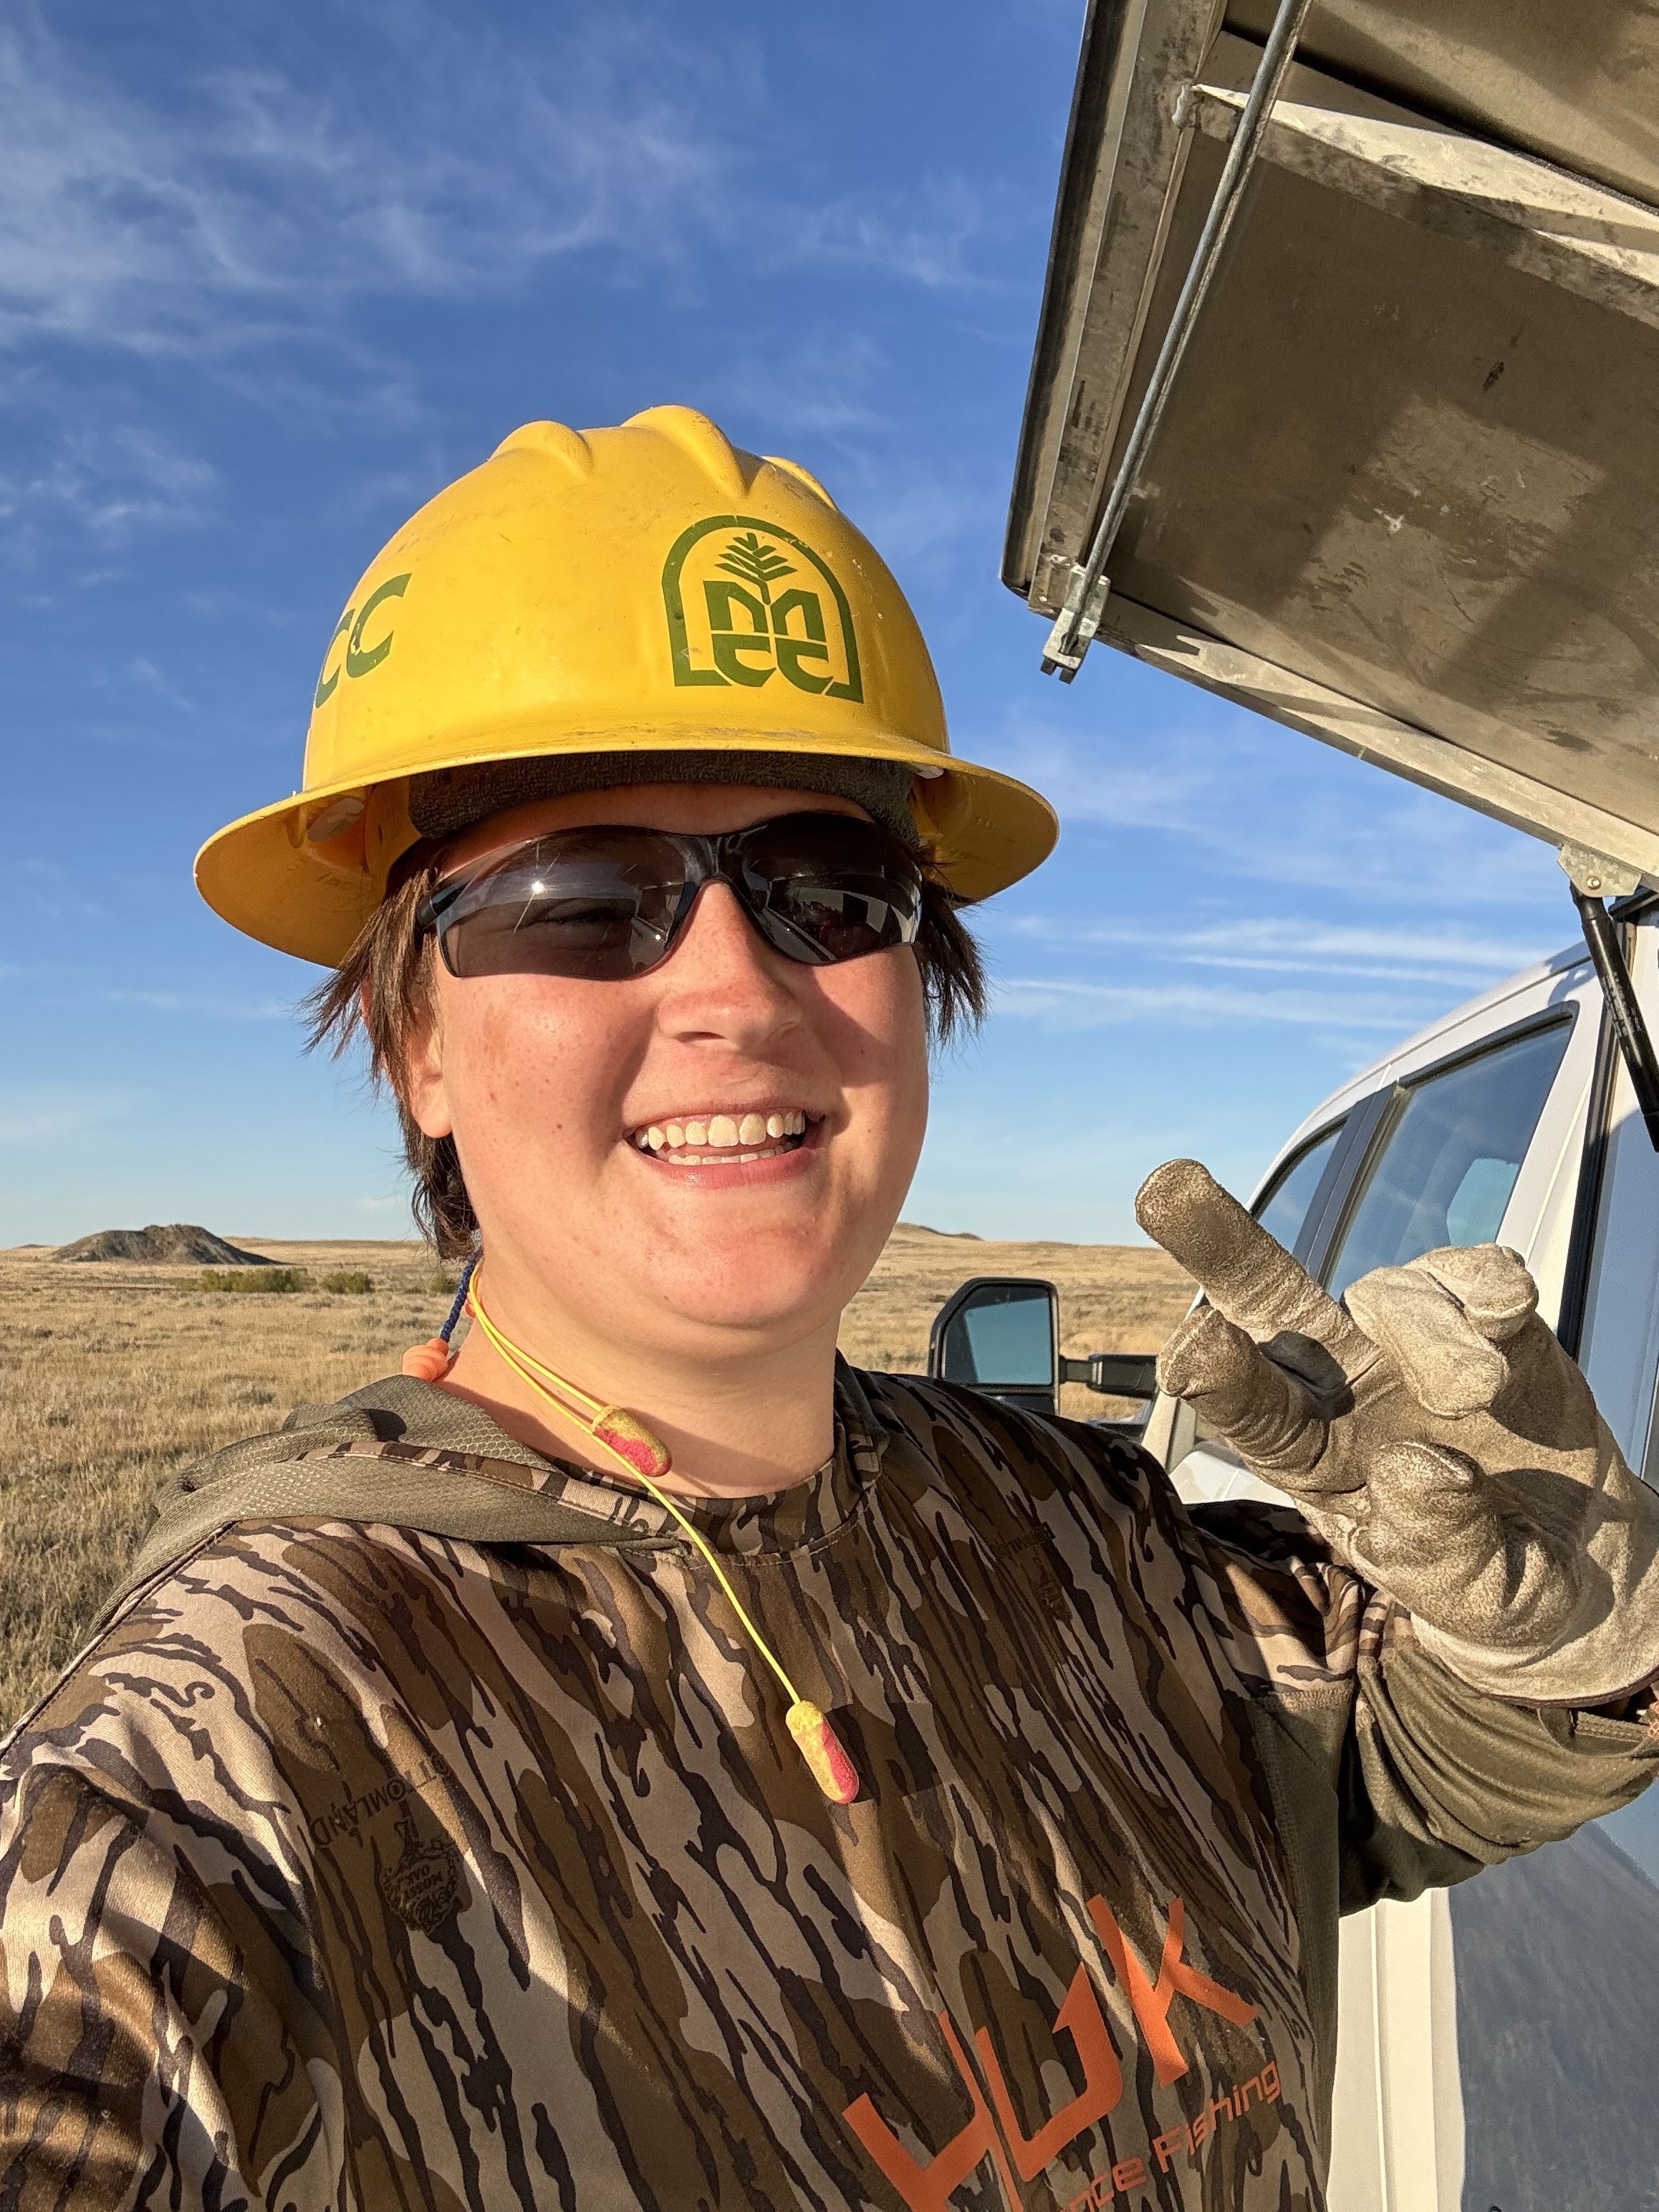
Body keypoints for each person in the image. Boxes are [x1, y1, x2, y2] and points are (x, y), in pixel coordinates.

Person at [1, 406, 1655, 2212]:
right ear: (417, 1041)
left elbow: (1379, 1783)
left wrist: (1550, 1634)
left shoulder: (1071, 1522)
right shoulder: (235, 1749)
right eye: (584, 900)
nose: (735, 985)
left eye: (824, 891)